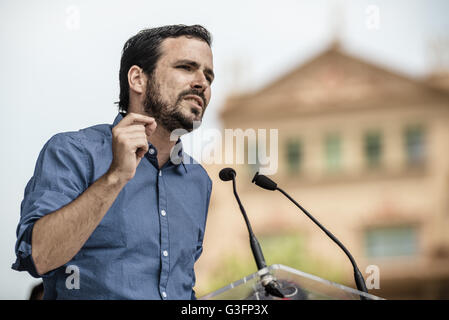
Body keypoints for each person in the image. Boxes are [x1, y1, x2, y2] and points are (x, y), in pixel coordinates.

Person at [12, 24, 214, 300]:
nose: (202, 82)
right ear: (138, 79)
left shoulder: (198, 180)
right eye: (186, 67)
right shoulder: (73, 152)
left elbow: (180, 286)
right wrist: (115, 177)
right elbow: (41, 257)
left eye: (209, 76)